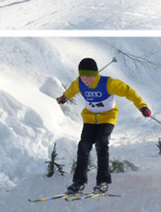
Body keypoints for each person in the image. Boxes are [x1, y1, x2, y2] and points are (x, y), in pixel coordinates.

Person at [57, 57, 151, 194]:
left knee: (101, 143)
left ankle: (103, 182)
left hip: (107, 117)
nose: (85, 79)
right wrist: (64, 97)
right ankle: (79, 182)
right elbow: (71, 90)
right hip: (90, 117)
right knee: (83, 145)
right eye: (82, 75)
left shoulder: (108, 83)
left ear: (95, 74)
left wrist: (142, 106)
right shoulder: (79, 83)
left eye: (89, 76)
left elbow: (128, 91)